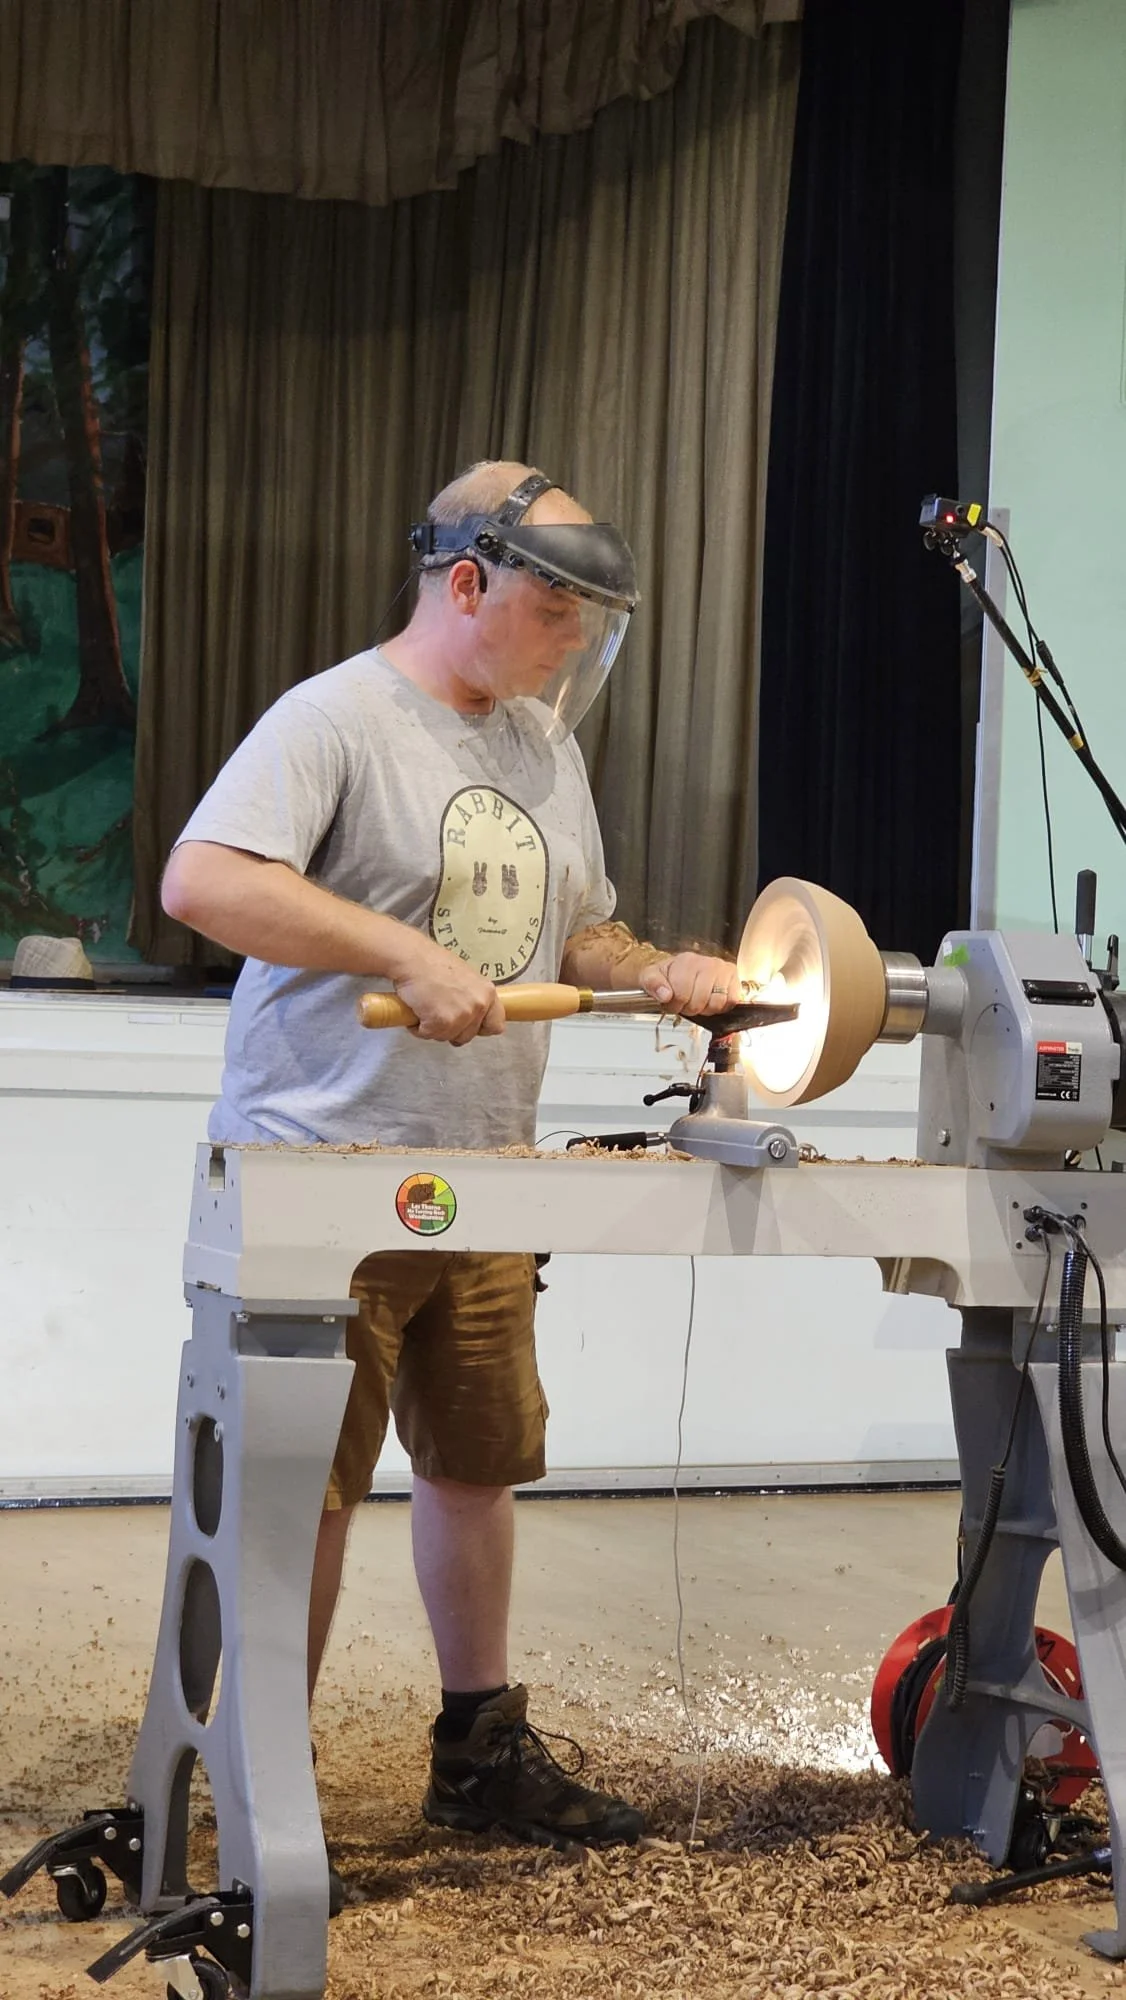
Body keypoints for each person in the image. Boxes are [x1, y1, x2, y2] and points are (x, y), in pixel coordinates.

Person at [161, 460, 744, 1859]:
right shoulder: (334, 720)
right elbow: (206, 881)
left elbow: (576, 933)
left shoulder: (546, 748)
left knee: (476, 1466)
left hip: (485, 1169)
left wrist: (653, 966)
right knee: (303, 1490)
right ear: (465, 580)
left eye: (595, 619)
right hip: (321, 1174)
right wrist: (400, 952)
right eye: (559, 612)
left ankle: (476, 1750)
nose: (578, 644)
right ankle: (261, 1793)